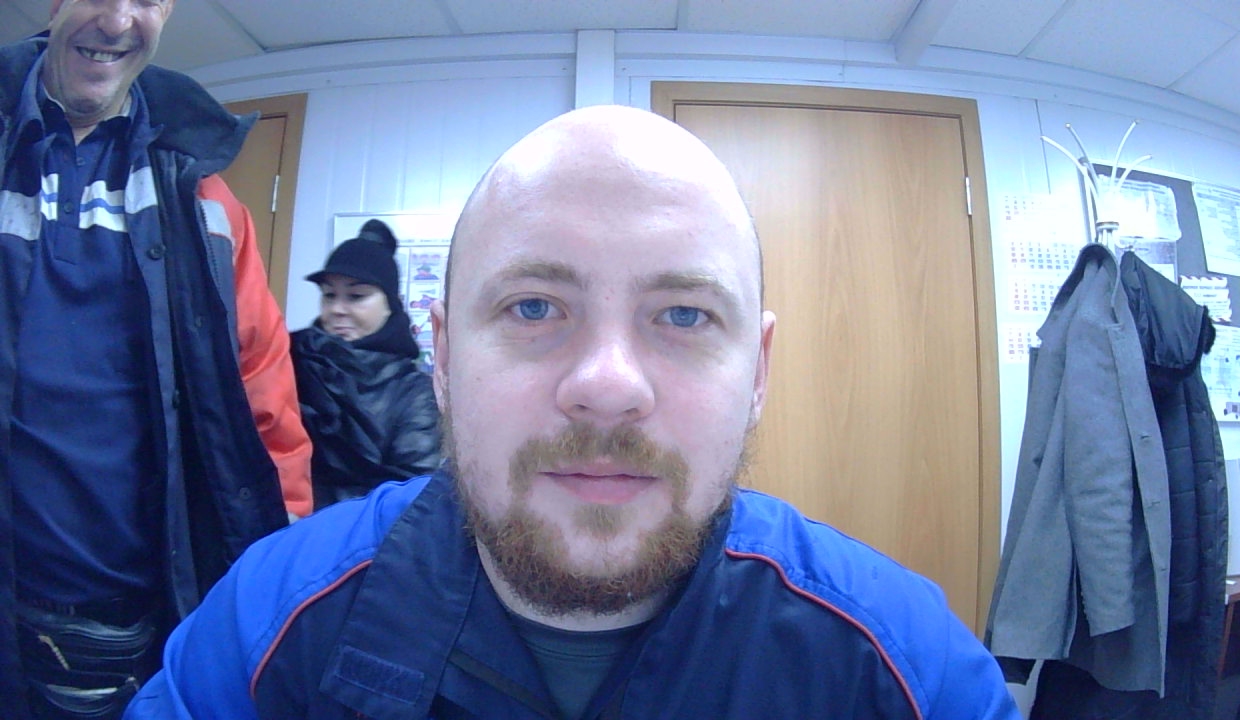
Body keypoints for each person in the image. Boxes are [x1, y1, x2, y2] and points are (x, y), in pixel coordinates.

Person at [126, 105, 1018, 719]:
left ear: (758, 371)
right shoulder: (263, 625)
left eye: (683, 316)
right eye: (534, 307)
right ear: (444, 358)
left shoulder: (906, 667)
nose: (607, 385)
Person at [0, 1, 312, 717]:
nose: (117, 21)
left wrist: (277, 577)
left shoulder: (207, 198)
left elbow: (262, 395)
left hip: (139, 626)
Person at [291, 219, 443, 510]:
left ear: (391, 304)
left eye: (356, 296)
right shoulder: (293, 360)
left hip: (355, 538)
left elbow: (412, 502)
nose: (337, 309)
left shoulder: (415, 394)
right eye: (329, 295)